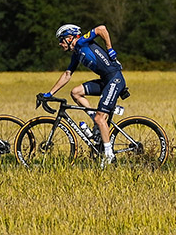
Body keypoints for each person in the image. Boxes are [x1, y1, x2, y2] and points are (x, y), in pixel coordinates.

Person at [43, 23, 125, 166]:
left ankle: (108, 155)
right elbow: (67, 74)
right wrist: (49, 93)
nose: (60, 44)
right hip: (105, 81)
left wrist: (110, 48)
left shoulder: (82, 41)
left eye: (61, 40)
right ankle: (95, 121)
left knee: (101, 118)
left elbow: (101, 29)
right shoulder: (76, 55)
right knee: (75, 92)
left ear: (70, 38)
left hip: (115, 79)